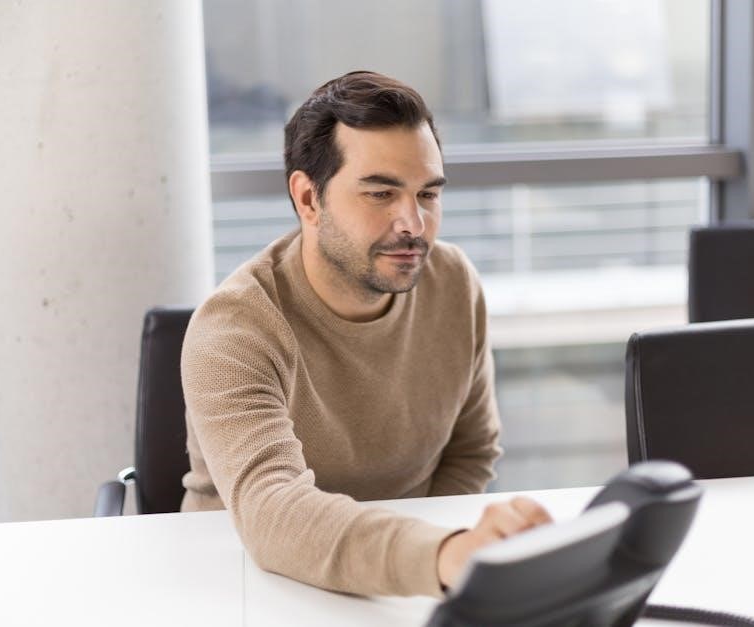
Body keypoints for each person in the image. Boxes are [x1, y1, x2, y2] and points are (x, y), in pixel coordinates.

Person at [180, 70, 552, 597]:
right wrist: (439, 556)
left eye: (428, 194)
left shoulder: (452, 282)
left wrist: (429, 561)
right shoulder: (235, 330)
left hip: (402, 583)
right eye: (381, 193)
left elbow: (471, 452)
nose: (413, 224)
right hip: (243, 584)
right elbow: (272, 511)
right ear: (308, 199)